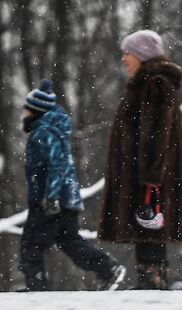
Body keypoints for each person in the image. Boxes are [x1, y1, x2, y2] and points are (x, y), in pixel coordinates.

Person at [98, 30, 182, 290]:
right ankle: (150, 278)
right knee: (146, 224)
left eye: (128, 53)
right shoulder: (147, 83)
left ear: (141, 56)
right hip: (144, 171)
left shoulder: (155, 84)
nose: (123, 59)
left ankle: (152, 279)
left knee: (149, 223)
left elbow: (156, 133)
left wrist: (150, 177)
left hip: (148, 173)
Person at [19, 79, 125, 291]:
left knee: (31, 244)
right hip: (68, 198)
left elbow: (57, 164)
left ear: (35, 110)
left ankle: (36, 290)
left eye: (25, 109)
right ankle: (107, 268)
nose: (22, 113)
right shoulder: (52, 130)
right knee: (70, 243)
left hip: (51, 200)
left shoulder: (43, 132)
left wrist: (51, 197)